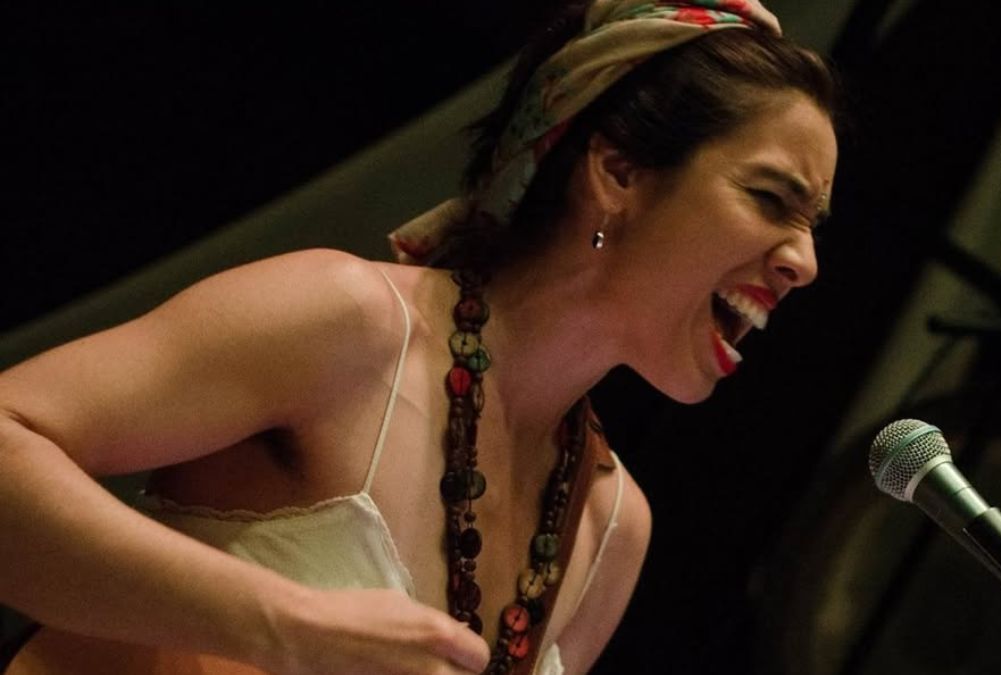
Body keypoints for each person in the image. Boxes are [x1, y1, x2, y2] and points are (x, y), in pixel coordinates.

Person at [0, 1, 838, 673]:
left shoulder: (614, 528)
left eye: (813, 225)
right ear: (617, 173)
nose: (803, 262)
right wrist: (282, 623)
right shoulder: (348, 323)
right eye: (772, 199)